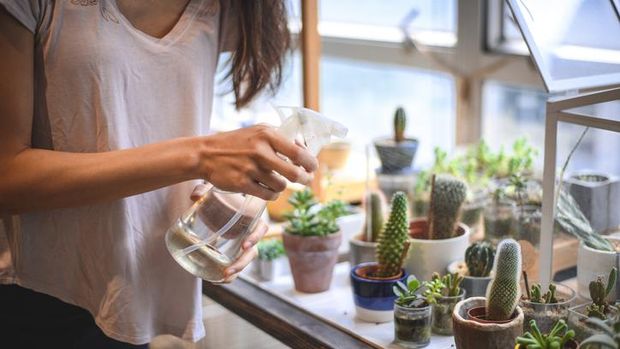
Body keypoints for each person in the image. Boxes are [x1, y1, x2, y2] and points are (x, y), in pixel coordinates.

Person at [0, 0, 317, 347]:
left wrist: (237, 203)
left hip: (131, 289)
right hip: (32, 289)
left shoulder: (229, 9)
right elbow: (7, 176)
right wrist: (201, 154)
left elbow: (154, 111)